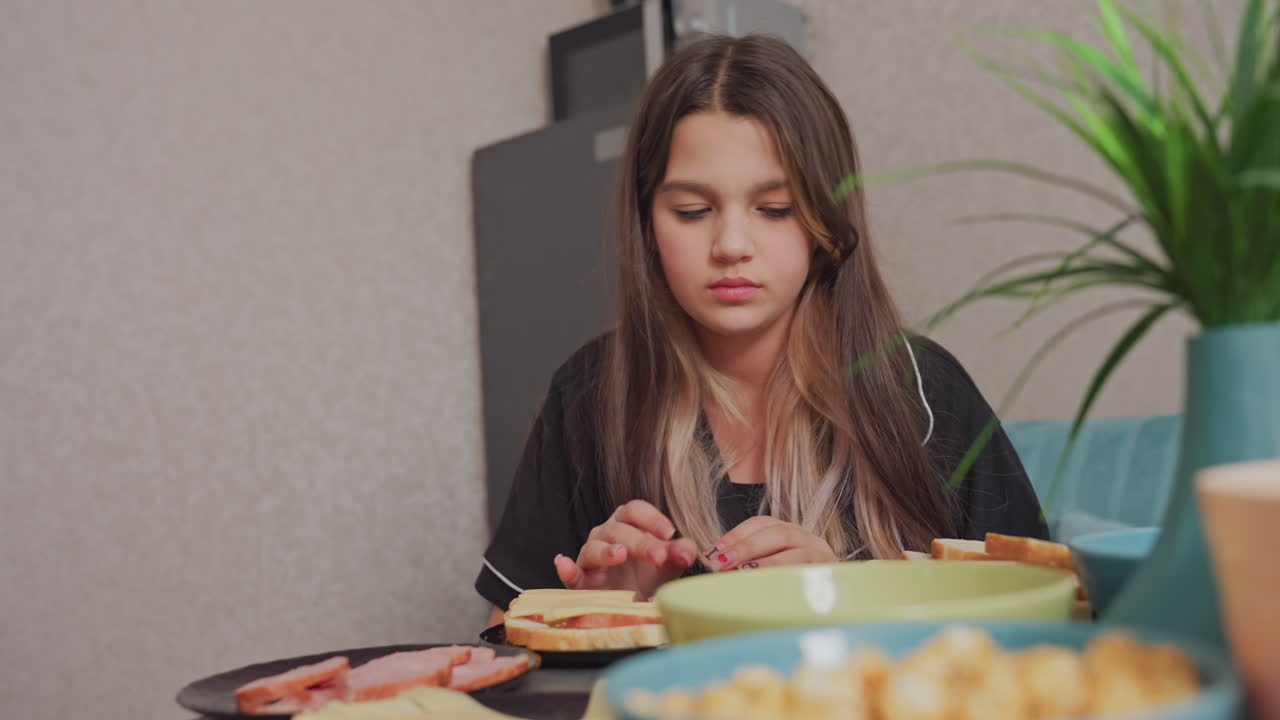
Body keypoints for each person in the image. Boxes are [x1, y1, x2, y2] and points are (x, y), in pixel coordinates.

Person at [475, 34, 1047, 625]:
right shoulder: (592, 396)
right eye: (692, 212)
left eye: (774, 209)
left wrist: (846, 604)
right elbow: (501, 648)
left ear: (827, 220)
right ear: (646, 224)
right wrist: (596, 621)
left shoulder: (922, 393)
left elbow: (1044, 634)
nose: (731, 246)